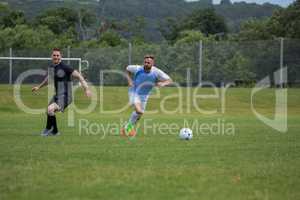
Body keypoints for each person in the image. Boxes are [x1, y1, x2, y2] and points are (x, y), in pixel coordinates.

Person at [32, 48, 92, 136]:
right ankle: (52, 130)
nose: (56, 57)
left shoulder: (65, 67)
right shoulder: (52, 67)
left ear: (61, 57)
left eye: (57, 55)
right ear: (51, 56)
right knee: (48, 111)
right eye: (54, 55)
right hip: (58, 95)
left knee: (50, 109)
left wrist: (86, 89)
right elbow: (48, 80)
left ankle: (51, 130)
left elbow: (79, 76)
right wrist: (38, 87)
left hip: (66, 96)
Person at [122, 55, 172, 137]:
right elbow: (127, 69)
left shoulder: (157, 72)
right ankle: (128, 128)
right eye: (145, 62)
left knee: (138, 115)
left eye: (148, 62)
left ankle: (127, 128)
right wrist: (129, 80)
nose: (146, 64)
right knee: (139, 111)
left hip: (145, 96)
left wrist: (163, 83)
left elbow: (169, 80)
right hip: (134, 92)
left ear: (152, 63)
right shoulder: (138, 68)